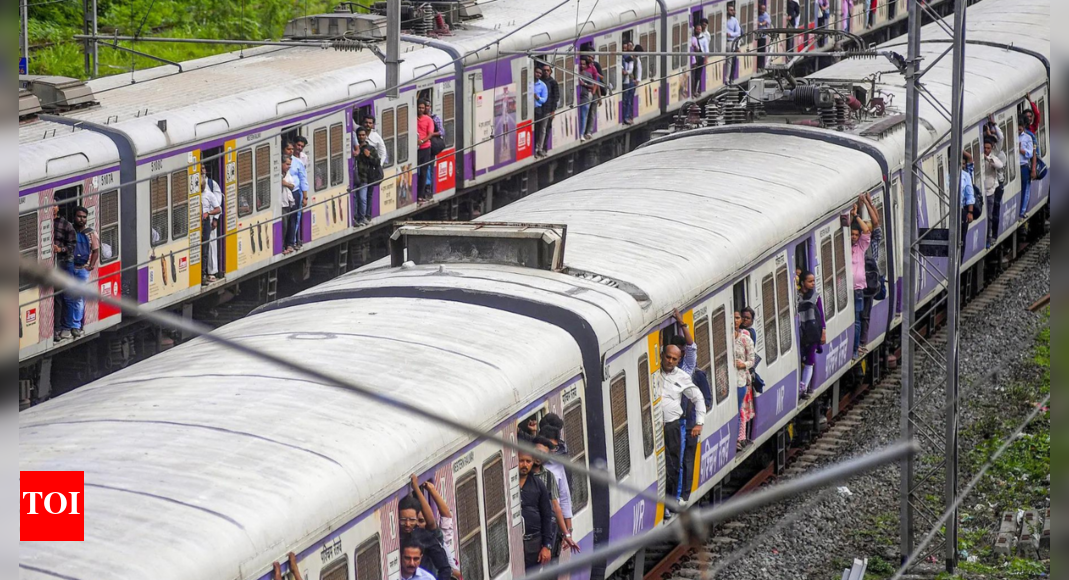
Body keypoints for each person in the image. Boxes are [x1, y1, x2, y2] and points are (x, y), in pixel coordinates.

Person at [655, 338, 706, 512]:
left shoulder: (682, 377)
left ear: (678, 360)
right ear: (662, 356)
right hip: (653, 428)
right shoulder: (654, 372)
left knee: (674, 466)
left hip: (672, 427)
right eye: (667, 357)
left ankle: (669, 504)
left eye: (674, 359)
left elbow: (698, 397)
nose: (670, 361)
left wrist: (699, 423)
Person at [56, 206, 99, 341]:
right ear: (74, 217)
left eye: (84, 217)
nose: (82, 219)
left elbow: (96, 250)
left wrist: (91, 266)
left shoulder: (91, 233)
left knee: (78, 298)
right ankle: (68, 326)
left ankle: (75, 325)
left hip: (82, 269)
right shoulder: (70, 230)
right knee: (68, 297)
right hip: (70, 267)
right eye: (79, 216)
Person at [532, 437, 581, 556]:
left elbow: (556, 506)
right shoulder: (524, 474)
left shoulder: (549, 477)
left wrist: (567, 534)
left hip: (546, 528)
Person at [409, 475, 460, 574]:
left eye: (421, 521)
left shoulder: (435, 537)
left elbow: (435, 520)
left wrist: (418, 488)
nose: (418, 525)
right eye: (415, 521)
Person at [518, 450, 556, 571]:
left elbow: (546, 516)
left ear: (533, 462)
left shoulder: (539, 485)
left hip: (533, 543)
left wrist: (547, 546)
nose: (525, 465)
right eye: (521, 461)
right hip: (514, 545)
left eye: (528, 461)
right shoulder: (507, 484)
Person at [399, 496, 453, 580]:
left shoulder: (424, 536)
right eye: (403, 519)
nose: (407, 524)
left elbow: (444, 567)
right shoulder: (395, 542)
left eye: (412, 519)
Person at [858, 192, 882, 350]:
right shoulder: (862, 242)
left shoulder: (873, 239)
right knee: (863, 314)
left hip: (869, 282)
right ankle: (861, 342)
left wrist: (868, 203)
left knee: (864, 314)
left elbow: (876, 221)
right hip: (863, 281)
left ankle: (862, 342)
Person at [797, 270, 826, 399]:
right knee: (801, 356)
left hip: (813, 332)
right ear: (802, 282)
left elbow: (821, 314)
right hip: (801, 332)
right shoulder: (796, 297)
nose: (813, 284)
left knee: (810, 360)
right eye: (810, 281)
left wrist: (823, 331)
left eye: (813, 281)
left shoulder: (816, 297)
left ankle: (803, 387)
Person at [849, 201, 872, 359]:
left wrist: (855, 216)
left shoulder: (861, 247)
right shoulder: (846, 247)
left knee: (857, 320)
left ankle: (855, 349)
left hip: (857, 288)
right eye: (852, 234)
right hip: (846, 289)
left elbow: (866, 229)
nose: (854, 237)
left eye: (856, 235)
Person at [733, 311, 756, 451]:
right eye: (732, 318)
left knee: (739, 409)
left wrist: (744, 365)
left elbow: (752, 360)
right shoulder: (725, 338)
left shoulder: (745, 339)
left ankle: (740, 437)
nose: (734, 320)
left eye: (737, 318)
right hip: (726, 382)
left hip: (741, 380)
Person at [982, 135, 1007, 247]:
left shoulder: (993, 158)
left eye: (988, 148)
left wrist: (988, 159)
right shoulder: (979, 158)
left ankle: (990, 237)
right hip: (982, 192)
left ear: (991, 148)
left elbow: (999, 165)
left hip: (990, 191)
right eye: (984, 148)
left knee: (990, 216)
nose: (986, 150)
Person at [201, 168, 224, 284]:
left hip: (209, 220)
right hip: (200, 222)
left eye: (204, 168)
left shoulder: (211, 184)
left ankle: (212, 271)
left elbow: (218, 203)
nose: (203, 170)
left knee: (211, 246)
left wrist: (215, 219)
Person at [416, 100, 440, 203]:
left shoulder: (429, 120)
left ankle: (421, 195)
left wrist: (422, 141)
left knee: (424, 172)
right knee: (416, 172)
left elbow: (430, 134)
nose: (421, 109)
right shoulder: (413, 119)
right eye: (419, 107)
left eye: (422, 108)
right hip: (415, 149)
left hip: (425, 148)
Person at [355, 140, 382, 227]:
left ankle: (365, 216)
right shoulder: (356, 149)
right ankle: (358, 217)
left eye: (363, 135)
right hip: (358, 178)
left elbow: (377, 162)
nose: (361, 137)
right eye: (359, 135)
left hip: (368, 177)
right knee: (358, 197)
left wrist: (369, 156)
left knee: (365, 197)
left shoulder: (371, 148)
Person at [540, 62, 560, 154]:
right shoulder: (540, 81)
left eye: (547, 70)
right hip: (541, 109)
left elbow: (556, 97)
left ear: (550, 72)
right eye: (544, 70)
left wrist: (553, 111)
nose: (546, 72)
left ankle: (544, 147)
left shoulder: (553, 82)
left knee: (546, 128)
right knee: (540, 128)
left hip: (549, 109)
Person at [578, 56, 599, 142]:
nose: (582, 66)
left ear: (586, 66)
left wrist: (584, 84)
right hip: (578, 98)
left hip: (585, 97)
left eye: (583, 64)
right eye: (580, 64)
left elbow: (593, 85)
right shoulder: (575, 74)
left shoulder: (588, 75)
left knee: (584, 115)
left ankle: (582, 133)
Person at [1017, 120, 1035, 221]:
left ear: (1023, 126)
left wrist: (1021, 151)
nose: (1019, 128)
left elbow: (1030, 153)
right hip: (1014, 167)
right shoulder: (1013, 136)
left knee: (1025, 189)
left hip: (1023, 165)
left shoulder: (1028, 137)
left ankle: (1022, 211)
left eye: (1021, 126)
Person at [281, 156, 298, 255]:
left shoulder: (288, 175)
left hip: (288, 203)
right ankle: (282, 247)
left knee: (288, 225)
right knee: (283, 226)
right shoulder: (278, 175)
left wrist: (285, 183)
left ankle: (288, 244)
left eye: (290, 165)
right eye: (287, 164)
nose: (288, 167)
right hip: (281, 204)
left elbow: (292, 186)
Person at [533, 67, 549, 159]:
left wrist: (538, 98)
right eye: (536, 72)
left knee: (537, 130)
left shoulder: (543, 85)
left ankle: (536, 149)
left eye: (540, 73)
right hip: (529, 109)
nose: (538, 74)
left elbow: (544, 99)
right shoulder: (529, 83)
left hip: (537, 109)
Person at [621, 42, 637, 125]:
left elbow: (631, 69)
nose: (624, 49)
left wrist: (625, 72)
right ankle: (624, 117)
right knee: (624, 100)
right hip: (622, 82)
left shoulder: (629, 58)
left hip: (627, 81)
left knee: (627, 100)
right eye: (623, 48)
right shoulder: (620, 58)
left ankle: (626, 117)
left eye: (625, 48)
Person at [725, 3, 742, 82]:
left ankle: (728, 78)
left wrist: (730, 34)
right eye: (730, 10)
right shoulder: (723, 20)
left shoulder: (734, 20)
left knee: (730, 60)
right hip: (722, 42)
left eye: (733, 10)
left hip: (731, 42)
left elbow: (738, 33)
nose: (732, 12)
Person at [689, 24, 708, 96]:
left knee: (698, 75)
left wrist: (706, 59)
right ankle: (693, 91)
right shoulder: (693, 38)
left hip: (700, 58)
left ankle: (697, 90)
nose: (699, 31)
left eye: (700, 29)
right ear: (695, 30)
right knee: (693, 75)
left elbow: (706, 50)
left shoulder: (703, 38)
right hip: (694, 59)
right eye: (697, 29)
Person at [757, 3, 772, 69]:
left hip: (763, 36)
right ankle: (758, 66)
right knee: (757, 51)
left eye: (763, 9)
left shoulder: (766, 15)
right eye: (761, 9)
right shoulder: (757, 14)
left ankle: (761, 66)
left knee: (761, 51)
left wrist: (759, 23)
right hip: (756, 35)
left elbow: (764, 23)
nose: (762, 11)